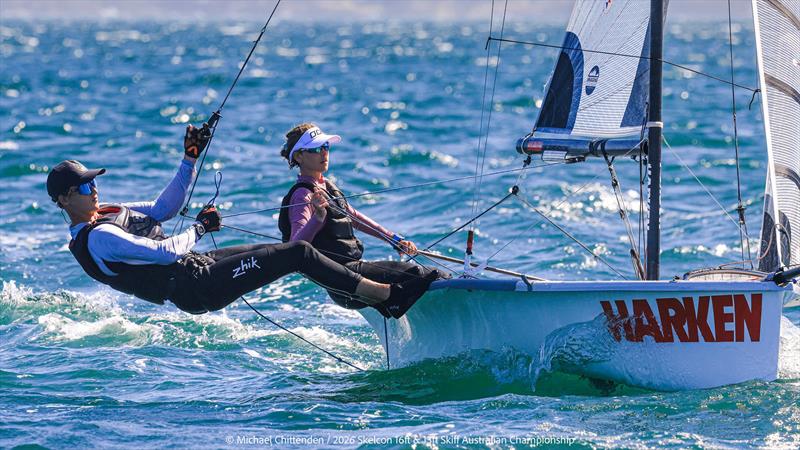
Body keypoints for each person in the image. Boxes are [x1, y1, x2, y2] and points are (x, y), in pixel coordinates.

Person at [47, 124, 435, 317]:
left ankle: (374, 289)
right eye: (83, 189)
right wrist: (199, 229)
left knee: (279, 251)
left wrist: (189, 158)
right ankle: (381, 295)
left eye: (93, 183)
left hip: (197, 267)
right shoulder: (98, 240)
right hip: (193, 287)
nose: (92, 191)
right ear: (64, 200)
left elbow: (164, 208)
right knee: (297, 250)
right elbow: (165, 253)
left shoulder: (109, 212)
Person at [278, 123, 442, 314]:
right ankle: (396, 304)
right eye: (316, 149)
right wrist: (318, 218)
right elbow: (296, 245)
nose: (324, 153)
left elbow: (355, 217)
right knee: (419, 274)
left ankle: (399, 307)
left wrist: (394, 239)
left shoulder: (327, 186)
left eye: (326, 147)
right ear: (299, 156)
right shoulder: (302, 195)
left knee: (435, 275)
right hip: (345, 282)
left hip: (355, 273)